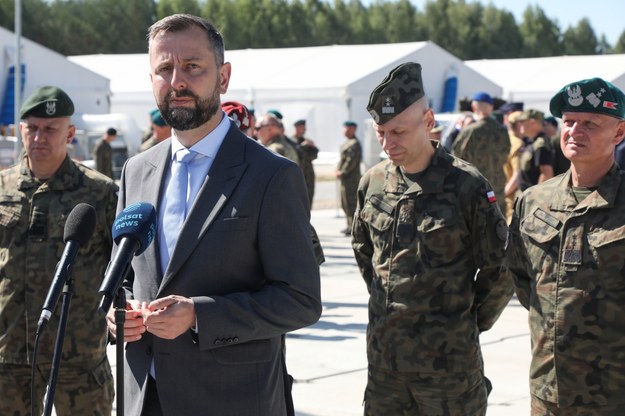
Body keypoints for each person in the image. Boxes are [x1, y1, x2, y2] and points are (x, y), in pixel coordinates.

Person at [105, 14, 321, 416]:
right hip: (144, 396)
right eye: (164, 69)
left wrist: (200, 316)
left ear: (223, 77)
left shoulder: (271, 175)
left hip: (231, 398)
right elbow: (126, 278)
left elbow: (300, 300)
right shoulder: (137, 171)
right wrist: (119, 316)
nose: (177, 82)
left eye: (192, 67)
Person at [352, 62, 513, 416]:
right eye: (381, 132)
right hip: (385, 365)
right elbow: (365, 253)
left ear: (427, 122)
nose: (387, 143)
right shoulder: (373, 182)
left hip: (448, 367)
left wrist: (465, 321)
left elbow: (501, 268)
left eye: (398, 131)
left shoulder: (466, 185)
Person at [506, 78, 625, 415]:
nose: (575, 131)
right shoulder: (534, 201)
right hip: (550, 389)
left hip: (614, 394)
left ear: (618, 134)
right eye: (569, 122)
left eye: (590, 123)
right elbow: (523, 279)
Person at [0, 86, 117, 415]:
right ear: (20, 130)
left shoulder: (100, 192)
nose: (39, 137)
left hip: (77, 354)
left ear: (70, 133)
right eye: (31, 128)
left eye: (50, 129)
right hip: (10, 353)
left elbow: (126, 266)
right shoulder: (2, 187)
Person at [452, 91, 510, 214]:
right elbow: (506, 154)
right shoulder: (502, 131)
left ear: (474, 107)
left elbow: (455, 158)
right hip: (497, 189)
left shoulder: (471, 130)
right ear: (492, 108)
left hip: (475, 188)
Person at [517, 109, 554, 191]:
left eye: (522, 122)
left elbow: (546, 174)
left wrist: (536, 197)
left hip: (533, 198)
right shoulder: (532, 142)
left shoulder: (541, 144)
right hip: (526, 195)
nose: (520, 125)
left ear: (532, 123)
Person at [336, 120, 362, 235]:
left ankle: (354, 226)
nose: (344, 130)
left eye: (347, 128)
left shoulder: (354, 144)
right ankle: (349, 225)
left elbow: (350, 161)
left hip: (351, 179)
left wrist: (342, 172)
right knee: (345, 202)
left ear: (353, 129)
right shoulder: (348, 143)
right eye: (344, 128)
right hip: (345, 179)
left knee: (351, 202)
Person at [503, 110, 525, 223]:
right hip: (510, 197)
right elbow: (517, 176)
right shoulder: (518, 144)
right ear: (519, 124)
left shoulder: (504, 139)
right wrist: (502, 194)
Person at [293, 119, 319, 207]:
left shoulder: (307, 140)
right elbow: (293, 152)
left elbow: (314, 155)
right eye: (302, 128)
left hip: (308, 175)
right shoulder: (291, 141)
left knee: (308, 199)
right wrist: (303, 145)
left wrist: (313, 147)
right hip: (297, 174)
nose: (304, 130)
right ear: (297, 128)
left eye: (304, 128)